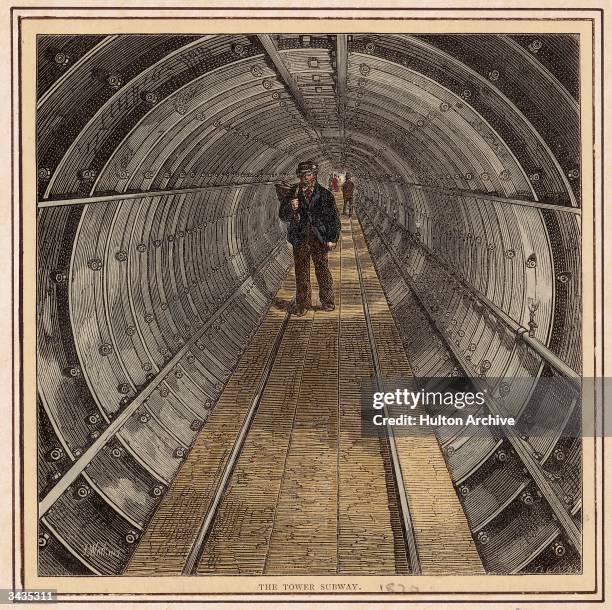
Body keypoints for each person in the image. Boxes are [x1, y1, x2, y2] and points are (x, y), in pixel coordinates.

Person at [278, 160, 341, 316]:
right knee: (301, 272)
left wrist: (332, 238)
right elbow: (283, 216)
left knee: (323, 270)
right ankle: (302, 304)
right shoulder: (291, 192)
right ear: (300, 176)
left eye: (310, 174)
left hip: (319, 238)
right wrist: (291, 208)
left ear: (315, 175)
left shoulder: (325, 194)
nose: (307, 177)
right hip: (299, 238)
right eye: (304, 175)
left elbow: (333, 219)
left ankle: (327, 301)